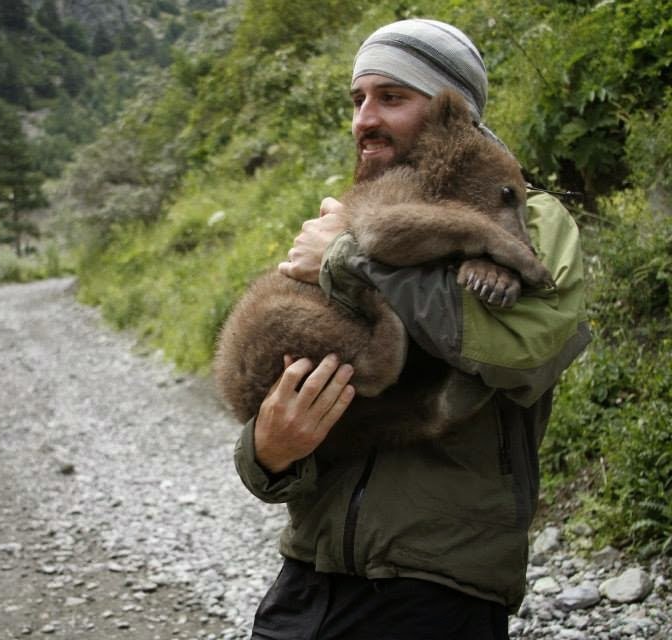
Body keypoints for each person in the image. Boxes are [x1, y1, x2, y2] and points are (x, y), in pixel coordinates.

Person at [234, 18, 592, 639]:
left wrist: (349, 262)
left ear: (454, 114)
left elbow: (523, 353)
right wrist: (266, 453)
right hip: (307, 578)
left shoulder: (528, 219)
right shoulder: (345, 220)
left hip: (437, 588)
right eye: (358, 99)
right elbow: (275, 404)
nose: (364, 119)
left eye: (392, 97)